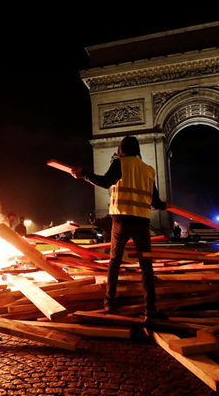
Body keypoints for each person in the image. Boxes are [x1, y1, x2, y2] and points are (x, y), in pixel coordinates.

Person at [71, 136, 166, 318]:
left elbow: (105, 182)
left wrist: (83, 174)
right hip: (142, 223)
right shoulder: (149, 170)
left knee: (114, 261)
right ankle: (151, 308)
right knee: (146, 265)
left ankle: (110, 302)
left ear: (121, 149)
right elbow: (154, 201)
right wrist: (162, 205)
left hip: (121, 220)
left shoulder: (120, 163)